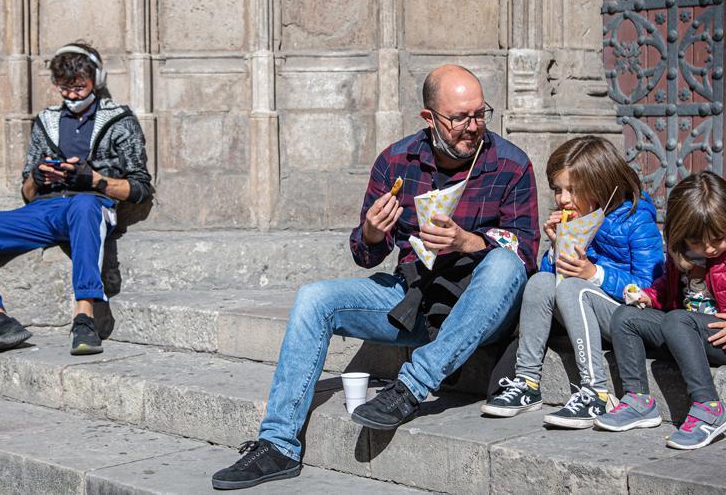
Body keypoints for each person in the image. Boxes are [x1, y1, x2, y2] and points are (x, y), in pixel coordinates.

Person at [212, 65, 538, 490]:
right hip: (416, 298)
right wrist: (370, 232)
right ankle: (278, 445)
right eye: (459, 118)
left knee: (503, 262)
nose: (472, 127)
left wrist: (468, 242)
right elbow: (367, 256)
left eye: (480, 115)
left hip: (484, 308)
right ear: (430, 118)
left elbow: (527, 254)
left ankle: (410, 388)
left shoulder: (510, 164)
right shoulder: (396, 161)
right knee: (315, 298)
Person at [0, 42, 152, 358]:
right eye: (66, 88)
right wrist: (36, 179)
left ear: (97, 79)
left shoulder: (119, 120)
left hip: (90, 206)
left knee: (83, 205)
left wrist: (94, 180)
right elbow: (26, 193)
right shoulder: (47, 121)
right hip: (46, 209)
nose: (74, 95)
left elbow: (141, 188)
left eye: (80, 87)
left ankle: (84, 318)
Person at [595, 171, 726, 450]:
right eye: (696, 242)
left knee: (678, 321)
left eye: (717, 239)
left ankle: (708, 407)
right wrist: (649, 296)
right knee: (625, 317)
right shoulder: (681, 254)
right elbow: (669, 292)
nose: (707, 249)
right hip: (689, 330)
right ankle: (637, 401)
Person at [481, 135, 665, 427]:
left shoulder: (635, 218)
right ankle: (527, 382)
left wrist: (595, 274)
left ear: (600, 184)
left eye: (572, 190)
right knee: (541, 279)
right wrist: (558, 247)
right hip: (578, 308)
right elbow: (551, 284)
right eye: (558, 189)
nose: (563, 199)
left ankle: (596, 392)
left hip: (624, 317)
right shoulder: (577, 217)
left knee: (572, 287)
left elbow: (651, 287)